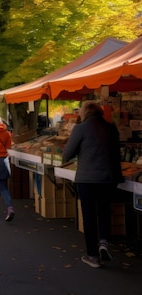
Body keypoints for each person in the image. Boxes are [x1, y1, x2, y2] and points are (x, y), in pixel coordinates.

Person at [62, 101, 123, 268]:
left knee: (89, 216)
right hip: (109, 178)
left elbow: (67, 154)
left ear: (84, 113)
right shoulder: (111, 128)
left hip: (87, 178)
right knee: (104, 211)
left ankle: (93, 256)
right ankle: (104, 242)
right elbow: (117, 153)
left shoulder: (81, 128)